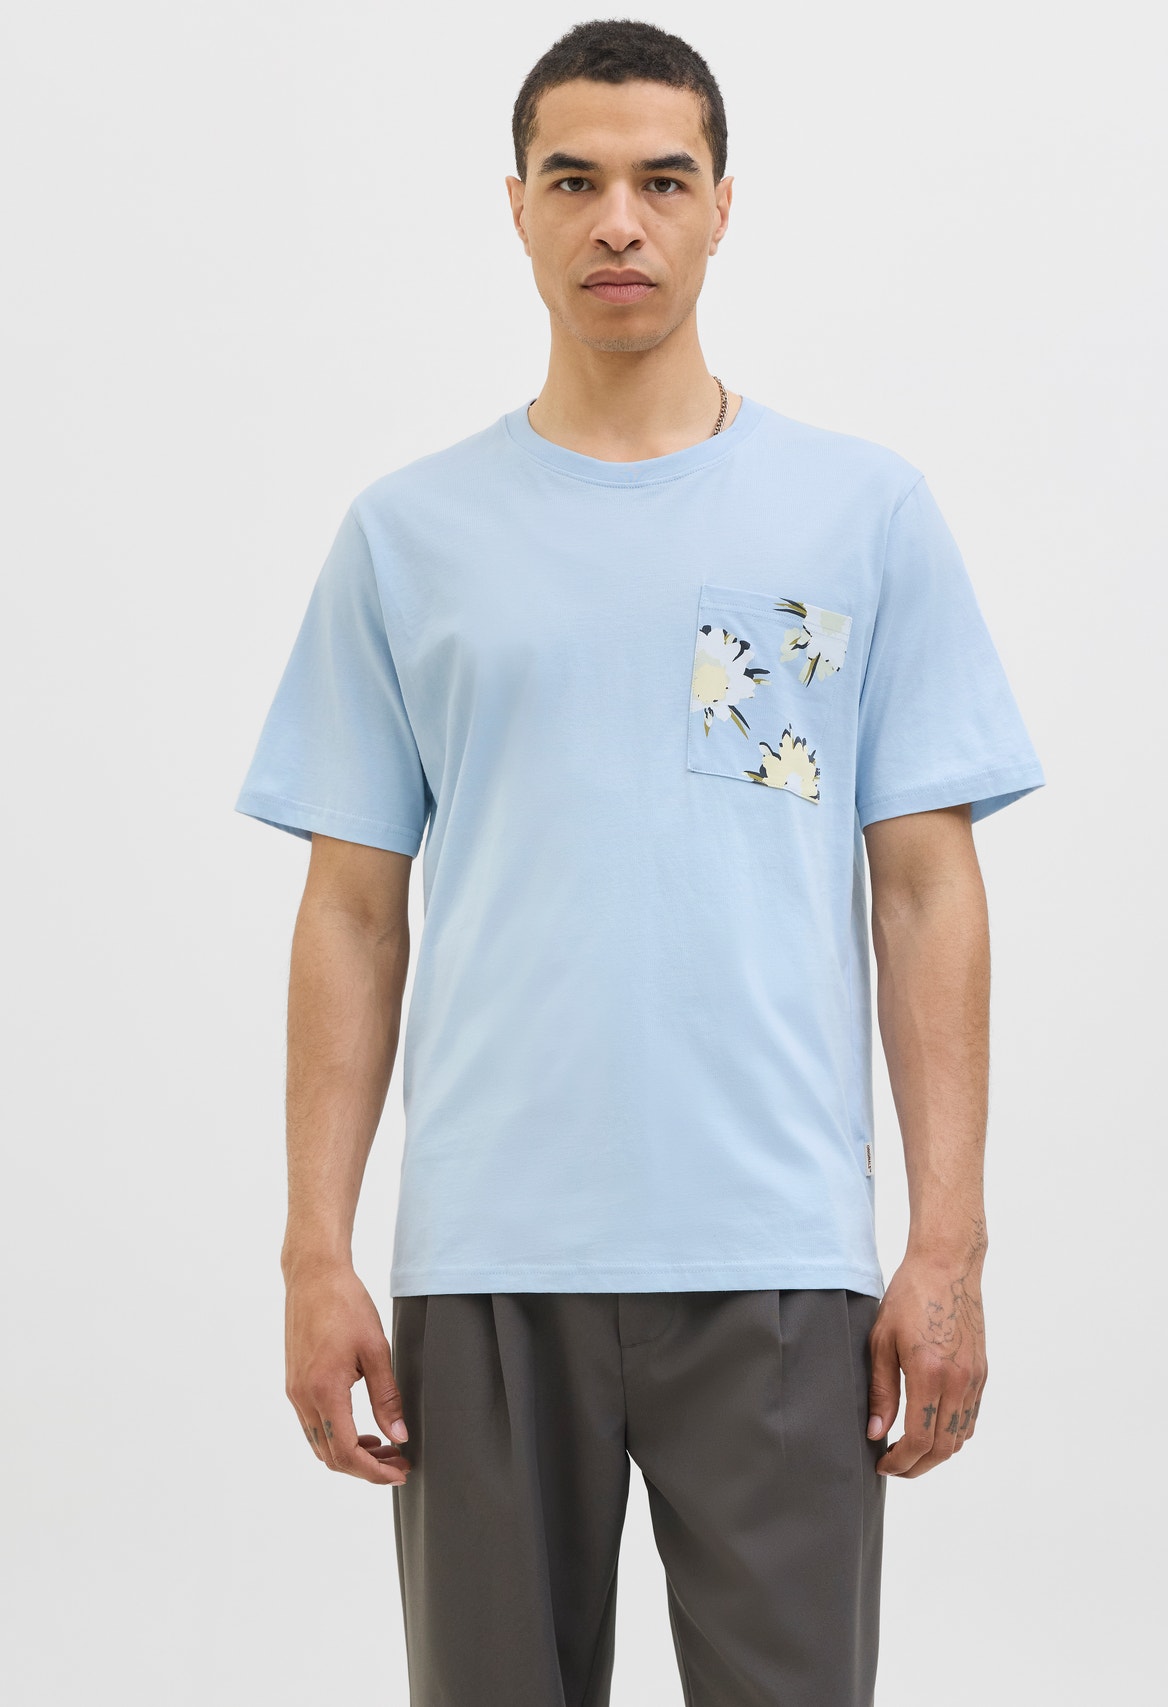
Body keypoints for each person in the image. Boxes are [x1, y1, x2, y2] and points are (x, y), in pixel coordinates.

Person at [233, 18, 1044, 1705]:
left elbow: (924, 889)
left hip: (777, 1257)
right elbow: (354, 914)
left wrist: (948, 1241)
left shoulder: (859, 513)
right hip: (488, 1257)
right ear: (516, 207)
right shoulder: (407, 536)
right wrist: (316, 1248)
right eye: (575, 181)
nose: (620, 220)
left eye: (663, 181)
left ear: (724, 206)